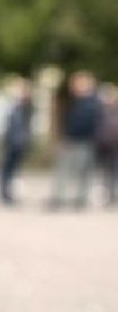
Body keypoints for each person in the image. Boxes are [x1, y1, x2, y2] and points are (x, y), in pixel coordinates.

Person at [49, 70, 101, 209]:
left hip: (85, 141)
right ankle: (60, 197)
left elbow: (94, 123)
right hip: (71, 140)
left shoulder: (93, 102)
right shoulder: (73, 101)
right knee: (63, 170)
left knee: (84, 172)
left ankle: (80, 198)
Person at [0, 79, 35, 205]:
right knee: (6, 169)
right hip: (11, 143)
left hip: (19, 143)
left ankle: (10, 193)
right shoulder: (12, 107)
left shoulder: (25, 108)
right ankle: (5, 194)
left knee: (13, 170)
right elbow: (7, 127)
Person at [95, 82, 118, 207]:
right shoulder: (100, 111)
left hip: (115, 145)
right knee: (106, 172)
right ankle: (109, 196)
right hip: (104, 145)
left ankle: (114, 196)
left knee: (114, 172)